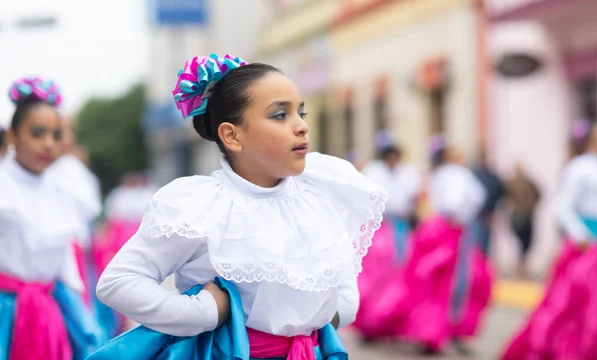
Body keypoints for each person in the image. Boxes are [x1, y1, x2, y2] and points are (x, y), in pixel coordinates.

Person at [89, 54, 387, 359]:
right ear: (232, 135)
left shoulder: (318, 193)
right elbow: (118, 282)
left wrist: (331, 314)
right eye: (279, 115)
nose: (301, 127)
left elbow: (342, 273)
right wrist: (201, 312)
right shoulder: (202, 205)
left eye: (301, 112)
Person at [0, 76, 102, 359]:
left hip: (50, 310)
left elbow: (66, 264)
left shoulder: (61, 189)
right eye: (37, 133)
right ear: (12, 135)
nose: (48, 144)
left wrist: (78, 309)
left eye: (55, 135)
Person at [368, 136, 492, 355]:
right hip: (448, 233)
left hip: (433, 230)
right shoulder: (454, 174)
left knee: (421, 280)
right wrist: (462, 218)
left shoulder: (438, 175)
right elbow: (463, 202)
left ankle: (421, 328)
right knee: (446, 284)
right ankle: (435, 331)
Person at [502, 123, 597, 359]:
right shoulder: (580, 168)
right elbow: (562, 207)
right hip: (585, 246)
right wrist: (580, 235)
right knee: (571, 306)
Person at [355, 142, 422, 341]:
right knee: (376, 276)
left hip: (401, 229)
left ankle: (391, 321)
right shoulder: (374, 172)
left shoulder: (407, 173)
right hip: (381, 230)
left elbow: (413, 198)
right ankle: (370, 322)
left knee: (399, 275)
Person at [505, 162, 540, 279]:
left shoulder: (529, 183)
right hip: (517, 214)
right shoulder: (511, 182)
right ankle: (520, 265)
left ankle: (522, 263)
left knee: (528, 241)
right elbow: (505, 195)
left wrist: (532, 206)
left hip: (528, 214)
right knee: (520, 241)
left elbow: (539, 194)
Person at [472, 149, 504, 256]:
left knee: (485, 244)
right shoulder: (473, 174)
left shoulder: (492, 176)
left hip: (487, 214)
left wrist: (493, 210)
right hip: (475, 214)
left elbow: (498, 192)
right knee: (476, 244)